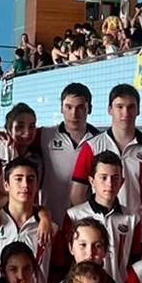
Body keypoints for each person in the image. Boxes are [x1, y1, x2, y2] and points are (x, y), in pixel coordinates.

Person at [69, 84, 142, 230]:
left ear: (138, 110)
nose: (125, 112)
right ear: (110, 110)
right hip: (101, 231)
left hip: (141, 230)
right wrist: (89, 226)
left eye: (131, 107)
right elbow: (77, 194)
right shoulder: (92, 147)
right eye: (119, 107)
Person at [66, 151, 140, 281]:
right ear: (92, 180)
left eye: (115, 178)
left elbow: (134, 260)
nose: (110, 184)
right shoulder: (74, 215)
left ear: (122, 182)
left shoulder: (132, 219)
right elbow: (64, 260)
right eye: (103, 177)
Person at [38, 84, 102, 224]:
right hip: (51, 221)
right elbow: (19, 140)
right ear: (61, 108)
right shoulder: (45, 135)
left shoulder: (101, 141)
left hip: (86, 223)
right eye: (69, 107)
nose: (74, 114)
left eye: (80, 108)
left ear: (89, 109)